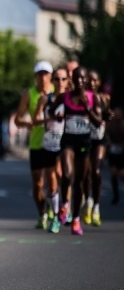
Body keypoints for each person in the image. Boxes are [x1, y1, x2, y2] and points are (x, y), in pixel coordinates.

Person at [47, 66, 103, 236]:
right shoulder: (65, 97)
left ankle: (76, 219)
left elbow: (98, 122)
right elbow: (51, 110)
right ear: (73, 80)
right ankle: (65, 205)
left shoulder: (94, 98)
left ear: (85, 81)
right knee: (67, 174)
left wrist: (87, 109)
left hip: (84, 142)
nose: (79, 81)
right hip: (68, 141)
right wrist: (56, 116)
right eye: (76, 78)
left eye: (82, 78)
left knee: (79, 181)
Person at [14, 61, 58, 229]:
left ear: (51, 76)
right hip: (36, 143)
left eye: (46, 74)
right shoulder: (29, 94)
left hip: (55, 142)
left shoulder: (57, 93)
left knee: (55, 178)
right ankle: (42, 214)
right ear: (35, 76)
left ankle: (58, 209)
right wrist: (27, 124)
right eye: (40, 74)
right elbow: (18, 119)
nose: (43, 77)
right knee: (38, 183)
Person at [33, 65, 70, 233]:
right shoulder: (45, 99)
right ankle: (55, 217)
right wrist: (48, 119)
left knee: (63, 174)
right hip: (48, 143)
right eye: (57, 79)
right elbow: (35, 120)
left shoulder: (71, 99)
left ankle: (65, 207)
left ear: (68, 81)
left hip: (65, 143)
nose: (60, 82)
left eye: (64, 79)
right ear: (52, 81)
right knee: (52, 181)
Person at [83, 70, 111, 226]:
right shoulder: (82, 98)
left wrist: (109, 115)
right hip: (86, 139)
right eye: (89, 80)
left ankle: (96, 208)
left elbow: (107, 116)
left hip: (100, 139)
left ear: (99, 82)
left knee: (97, 172)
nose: (92, 83)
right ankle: (88, 201)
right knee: (86, 174)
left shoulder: (105, 98)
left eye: (95, 80)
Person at [107, 105, 124, 205]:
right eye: (115, 112)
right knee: (113, 173)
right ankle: (116, 195)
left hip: (122, 152)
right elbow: (106, 134)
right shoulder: (110, 124)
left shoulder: (123, 124)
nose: (117, 114)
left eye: (119, 112)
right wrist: (109, 142)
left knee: (122, 174)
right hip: (113, 151)